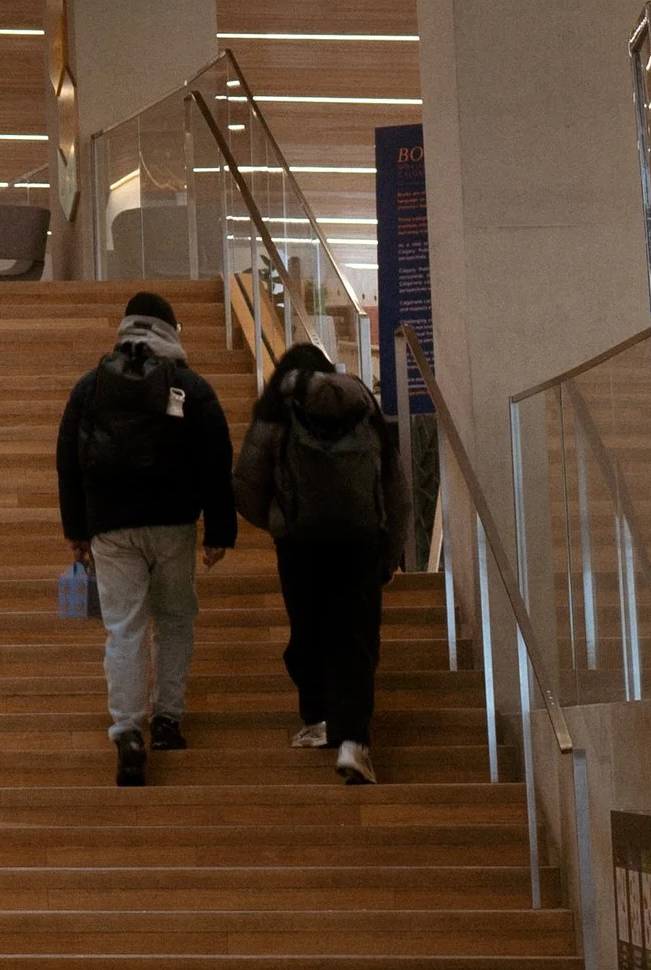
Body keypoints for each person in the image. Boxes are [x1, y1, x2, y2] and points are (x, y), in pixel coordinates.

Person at [55, 287, 238, 786]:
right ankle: (167, 720)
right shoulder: (191, 387)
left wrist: (77, 530)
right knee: (175, 618)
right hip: (175, 525)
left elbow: (68, 463)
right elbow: (217, 461)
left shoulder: (90, 387)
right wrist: (219, 529)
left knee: (125, 627)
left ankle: (128, 730)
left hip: (111, 529)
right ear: (171, 332)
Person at [235, 338, 406, 787]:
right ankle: (354, 742)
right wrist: (390, 552)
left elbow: (248, 483)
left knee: (308, 630)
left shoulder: (278, 408)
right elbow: (396, 483)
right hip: (361, 543)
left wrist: (278, 521)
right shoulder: (363, 404)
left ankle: (317, 719)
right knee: (356, 638)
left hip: (300, 544)